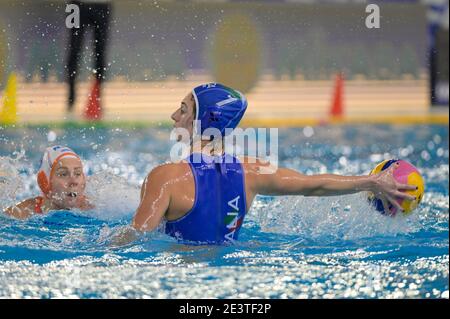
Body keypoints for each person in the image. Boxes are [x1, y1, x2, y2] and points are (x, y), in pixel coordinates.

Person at [115, 83, 417, 245]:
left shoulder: (165, 178)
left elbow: (132, 240)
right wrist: (370, 182)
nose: (173, 117)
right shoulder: (251, 172)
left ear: (202, 120)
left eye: (182, 110)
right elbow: (314, 185)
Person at [2, 145, 93, 220]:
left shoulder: (94, 210)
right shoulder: (21, 213)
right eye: (63, 174)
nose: (73, 181)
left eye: (77, 173)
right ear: (45, 182)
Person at [66, 0, 112, 116]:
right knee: (74, 49)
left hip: (101, 5)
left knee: (100, 53)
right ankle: (70, 98)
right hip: (75, 5)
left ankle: (97, 96)